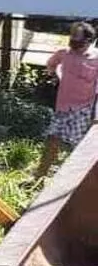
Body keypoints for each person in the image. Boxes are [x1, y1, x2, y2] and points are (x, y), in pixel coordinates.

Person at [35, 22, 98, 179]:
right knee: (52, 138)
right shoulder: (64, 54)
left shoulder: (96, 59)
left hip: (84, 109)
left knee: (77, 147)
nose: (73, 42)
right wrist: (55, 74)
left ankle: (75, 180)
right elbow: (51, 64)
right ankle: (39, 176)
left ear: (89, 40)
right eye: (72, 38)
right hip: (63, 107)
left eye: (77, 40)